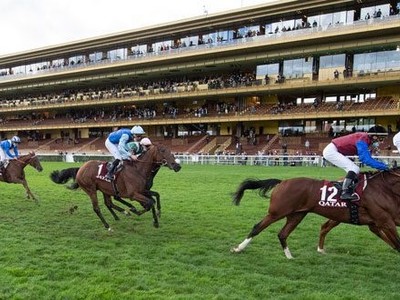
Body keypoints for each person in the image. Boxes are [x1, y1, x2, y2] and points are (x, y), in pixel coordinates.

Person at [322, 126, 389, 201]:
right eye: (381, 138)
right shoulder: (363, 139)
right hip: (332, 151)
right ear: (375, 137)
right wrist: (384, 167)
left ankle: (345, 186)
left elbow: (368, 157)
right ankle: (345, 193)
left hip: (334, 150)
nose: (382, 141)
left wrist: (382, 165)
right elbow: (365, 159)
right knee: (354, 168)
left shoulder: (366, 139)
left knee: (354, 171)